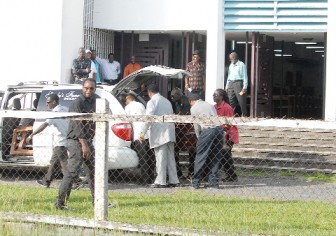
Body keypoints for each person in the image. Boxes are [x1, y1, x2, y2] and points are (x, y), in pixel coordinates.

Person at [55, 78, 97, 210]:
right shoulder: (76, 103)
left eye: (91, 88)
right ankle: (60, 203)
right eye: (86, 88)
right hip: (76, 141)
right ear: (82, 88)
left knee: (94, 172)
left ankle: (98, 202)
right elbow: (78, 126)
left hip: (88, 141)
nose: (88, 91)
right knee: (72, 172)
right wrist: (84, 145)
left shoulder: (95, 101)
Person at [139, 84, 179, 188]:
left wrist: (142, 133)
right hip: (170, 131)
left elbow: (148, 118)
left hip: (160, 132)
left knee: (160, 158)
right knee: (170, 157)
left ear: (149, 92)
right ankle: (174, 180)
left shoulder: (152, 102)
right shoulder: (167, 101)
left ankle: (160, 181)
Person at [27, 94, 69, 188]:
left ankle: (74, 181)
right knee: (54, 162)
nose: (47, 104)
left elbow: (44, 125)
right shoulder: (65, 109)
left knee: (64, 164)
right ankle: (47, 181)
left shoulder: (53, 114)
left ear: (54, 102)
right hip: (68, 138)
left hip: (60, 141)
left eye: (48, 102)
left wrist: (32, 135)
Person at [189, 93, 224, 189]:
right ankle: (214, 183)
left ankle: (196, 182)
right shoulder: (210, 105)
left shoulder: (193, 108)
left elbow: (196, 125)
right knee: (215, 156)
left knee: (201, 156)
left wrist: (198, 137)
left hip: (207, 130)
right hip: (219, 130)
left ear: (191, 101)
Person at [125, 94, 155, 184]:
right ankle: (151, 178)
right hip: (146, 133)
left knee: (143, 158)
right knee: (149, 157)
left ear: (126, 101)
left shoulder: (128, 107)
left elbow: (127, 121)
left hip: (138, 135)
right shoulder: (141, 105)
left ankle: (145, 180)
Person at [213, 89, 238, 182]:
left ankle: (231, 175)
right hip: (218, 134)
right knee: (223, 156)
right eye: (213, 95)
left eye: (216, 95)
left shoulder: (227, 107)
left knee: (225, 155)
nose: (213, 96)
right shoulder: (214, 107)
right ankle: (230, 174)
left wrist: (225, 133)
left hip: (228, 135)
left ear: (221, 97)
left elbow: (229, 124)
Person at [170, 88, 195, 180]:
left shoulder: (186, 102)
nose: (172, 98)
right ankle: (179, 172)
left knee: (192, 152)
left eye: (173, 96)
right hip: (179, 130)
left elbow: (186, 115)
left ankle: (191, 173)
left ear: (179, 95)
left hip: (188, 130)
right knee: (175, 151)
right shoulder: (176, 102)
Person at [225, 52, 248, 116]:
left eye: (231, 59)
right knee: (231, 100)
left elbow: (245, 76)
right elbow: (229, 76)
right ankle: (231, 115)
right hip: (231, 84)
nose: (231, 60)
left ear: (235, 58)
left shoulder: (241, 64)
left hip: (239, 84)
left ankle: (244, 115)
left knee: (241, 100)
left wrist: (245, 87)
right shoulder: (231, 65)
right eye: (230, 59)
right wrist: (227, 86)